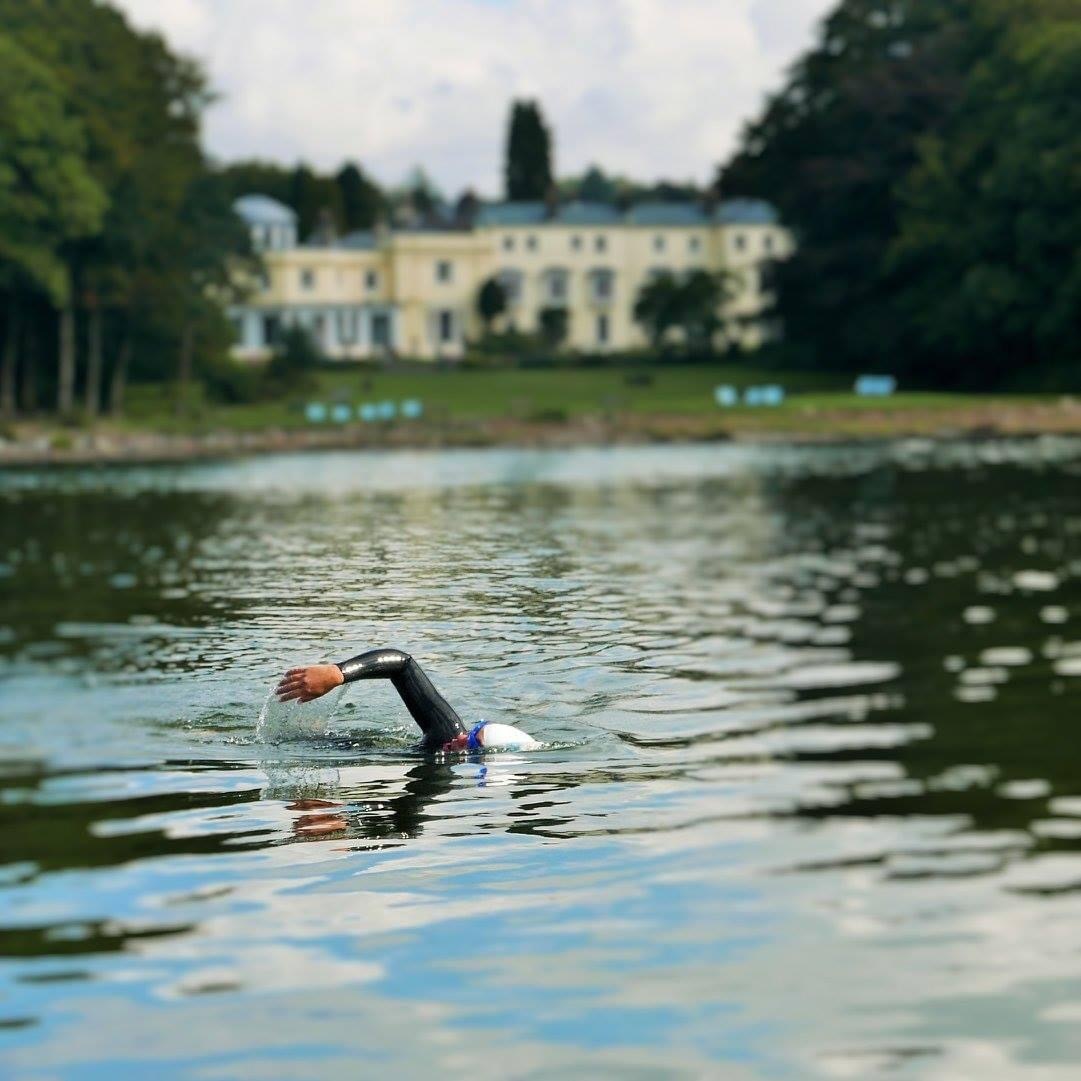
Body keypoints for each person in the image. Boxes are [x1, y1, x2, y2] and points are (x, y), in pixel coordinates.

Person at [275, 647, 538, 753]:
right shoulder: (447, 735)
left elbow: (407, 828)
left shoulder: (443, 777)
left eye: (471, 741)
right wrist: (337, 673)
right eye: (475, 729)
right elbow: (403, 664)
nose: (462, 737)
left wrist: (349, 826)